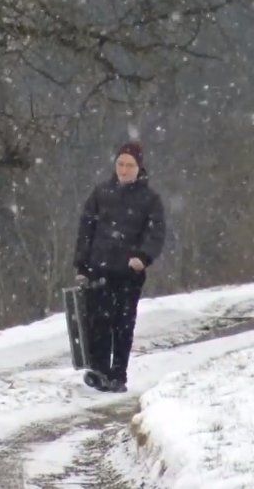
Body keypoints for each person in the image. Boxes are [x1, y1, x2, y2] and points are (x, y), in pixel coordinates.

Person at [74, 141, 165, 393]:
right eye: (120, 164)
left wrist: (143, 257)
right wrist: (82, 265)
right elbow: (86, 229)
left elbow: (156, 233)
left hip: (128, 273)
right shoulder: (101, 193)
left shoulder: (150, 199)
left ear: (139, 168)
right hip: (99, 268)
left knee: (123, 324)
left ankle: (118, 374)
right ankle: (98, 370)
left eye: (129, 165)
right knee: (98, 321)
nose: (124, 170)